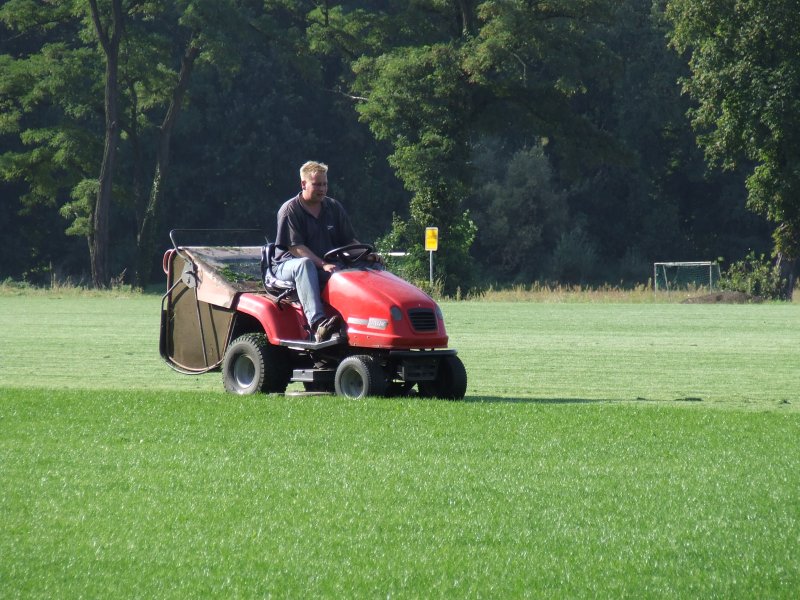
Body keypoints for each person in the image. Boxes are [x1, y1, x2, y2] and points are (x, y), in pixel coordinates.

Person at [273, 161, 370, 342]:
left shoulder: (333, 207)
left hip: (327, 263)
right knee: (305, 265)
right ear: (303, 184)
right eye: (317, 184)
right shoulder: (290, 210)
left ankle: (363, 321)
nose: (323, 189)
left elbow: (349, 241)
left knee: (367, 266)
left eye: (325, 184)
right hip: (288, 265)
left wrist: (367, 254)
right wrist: (323, 264)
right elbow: (296, 248)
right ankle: (318, 324)